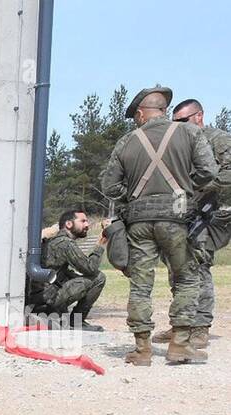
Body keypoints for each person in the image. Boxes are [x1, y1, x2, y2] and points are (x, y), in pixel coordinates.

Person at [100, 84, 217, 365]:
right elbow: (209, 171)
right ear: (163, 110)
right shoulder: (189, 132)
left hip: (138, 221)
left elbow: (108, 185)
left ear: (141, 113)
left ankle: (142, 350)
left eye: (135, 116)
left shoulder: (127, 141)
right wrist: (187, 187)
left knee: (140, 285)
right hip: (177, 218)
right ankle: (179, 345)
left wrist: (131, 197)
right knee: (187, 278)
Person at [150, 98, 231, 348]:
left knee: (199, 265)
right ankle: (181, 324)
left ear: (199, 116)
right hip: (180, 212)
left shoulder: (217, 139)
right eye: (174, 123)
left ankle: (200, 327)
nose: (178, 127)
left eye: (183, 121)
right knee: (177, 269)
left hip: (208, 213)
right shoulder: (179, 143)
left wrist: (199, 187)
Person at [35, 208, 109, 329]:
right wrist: (100, 244)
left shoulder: (54, 241)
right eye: (83, 221)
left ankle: (61, 316)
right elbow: (90, 268)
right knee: (98, 278)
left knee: (80, 277)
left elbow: (61, 271)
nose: (87, 224)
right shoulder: (65, 243)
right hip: (46, 301)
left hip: (40, 299)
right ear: (69, 224)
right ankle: (77, 322)